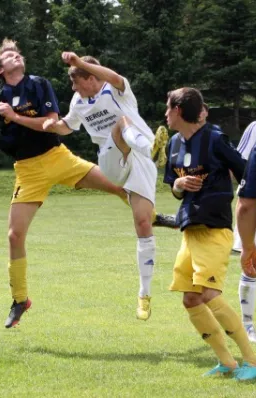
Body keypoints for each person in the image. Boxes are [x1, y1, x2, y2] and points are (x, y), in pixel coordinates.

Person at [0, 39, 130, 329]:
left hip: (58, 157)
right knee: (14, 236)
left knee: (117, 186)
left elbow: (51, 121)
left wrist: (14, 117)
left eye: (18, 53)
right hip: (27, 170)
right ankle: (20, 299)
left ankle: (153, 218)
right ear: (0, 69)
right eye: (9, 56)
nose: (16, 57)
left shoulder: (39, 84)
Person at [42, 52, 174, 321]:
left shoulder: (116, 89)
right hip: (111, 160)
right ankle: (151, 147)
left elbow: (112, 76)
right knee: (120, 125)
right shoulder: (79, 101)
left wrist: (79, 62)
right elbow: (69, 125)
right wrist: (52, 125)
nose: (74, 88)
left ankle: (144, 294)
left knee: (143, 223)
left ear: (91, 77)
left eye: (76, 81)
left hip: (142, 164)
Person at [163, 87, 256, 380]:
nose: (165, 115)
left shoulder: (215, 139)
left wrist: (252, 204)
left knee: (208, 293)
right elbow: (173, 183)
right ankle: (227, 363)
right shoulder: (173, 144)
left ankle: (254, 362)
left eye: (168, 109)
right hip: (189, 230)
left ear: (179, 111)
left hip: (214, 228)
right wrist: (179, 186)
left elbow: (246, 170)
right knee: (190, 299)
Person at [232, 121, 256, 343]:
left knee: (250, 260)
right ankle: (247, 324)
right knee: (253, 264)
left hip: (253, 202)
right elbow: (239, 164)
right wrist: (251, 204)